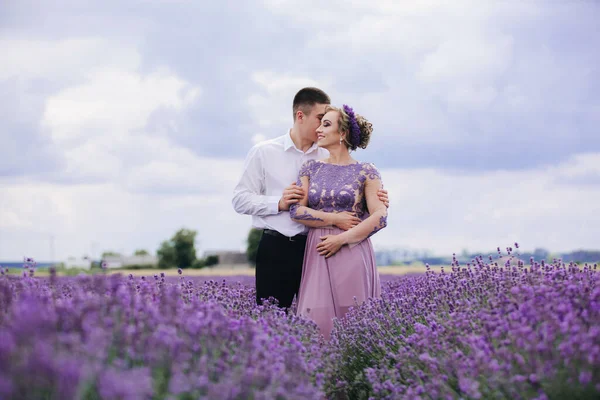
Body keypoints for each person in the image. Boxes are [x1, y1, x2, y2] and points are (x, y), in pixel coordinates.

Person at [232, 87, 389, 309]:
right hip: (279, 247)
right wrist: (278, 203)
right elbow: (239, 199)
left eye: (327, 121)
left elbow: (356, 197)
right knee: (273, 318)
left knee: (332, 317)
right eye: (319, 119)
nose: (322, 125)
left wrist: (375, 198)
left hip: (320, 248)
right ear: (300, 116)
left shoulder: (329, 153)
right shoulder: (264, 152)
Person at [289, 104, 386, 339]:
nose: (319, 130)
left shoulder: (367, 171)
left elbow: (380, 216)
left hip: (352, 250)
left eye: (326, 124)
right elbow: (296, 211)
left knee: (354, 317)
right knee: (314, 318)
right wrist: (334, 220)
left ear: (342, 134)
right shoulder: (310, 168)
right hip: (318, 251)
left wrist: (341, 239)